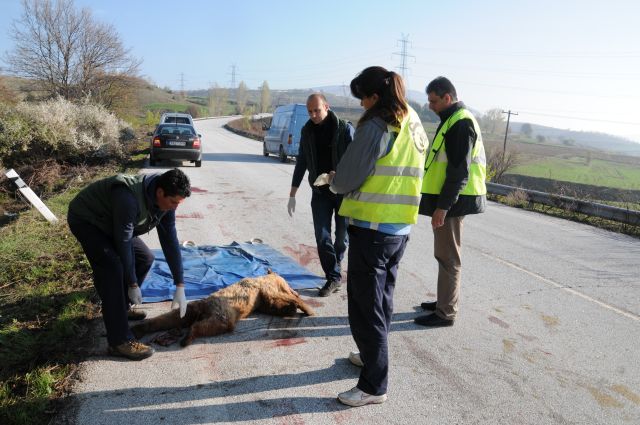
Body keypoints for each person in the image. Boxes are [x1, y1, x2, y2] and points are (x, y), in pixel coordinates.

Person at [326, 66, 428, 407]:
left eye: (362, 98)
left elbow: (348, 177)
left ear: (373, 96)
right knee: (381, 302)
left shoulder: (377, 124)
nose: (361, 106)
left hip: (372, 229)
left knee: (365, 308)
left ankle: (373, 385)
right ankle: (371, 357)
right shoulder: (411, 119)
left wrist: (334, 180)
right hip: (399, 228)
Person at [67, 168, 191, 360]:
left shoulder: (166, 205)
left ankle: (121, 307)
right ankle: (119, 342)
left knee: (145, 258)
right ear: (160, 192)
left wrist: (180, 284)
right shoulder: (127, 199)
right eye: (173, 202)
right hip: (88, 220)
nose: (175, 207)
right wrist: (132, 283)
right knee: (112, 268)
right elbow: (123, 242)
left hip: (113, 222)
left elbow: (170, 242)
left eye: (178, 203)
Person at [414, 76, 487, 327]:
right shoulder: (453, 120)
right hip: (450, 201)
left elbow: (458, 172)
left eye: (434, 101)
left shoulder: (460, 123)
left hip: (453, 203)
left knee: (448, 258)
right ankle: (443, 301)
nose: (430, 106)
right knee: (444, 255)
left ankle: (446, 312)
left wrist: (442, 208)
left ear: (448, 97)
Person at [288, 93, 354, 297]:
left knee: (342, 238)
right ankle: (333, 277)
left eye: (317, 110)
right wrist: (293, 193)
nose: (313, 115)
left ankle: (336, 265)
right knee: (322, 236)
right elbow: (302, 162)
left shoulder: (344, 128)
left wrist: (342, 174)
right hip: (320, 193)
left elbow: (356, 159)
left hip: (342, 192)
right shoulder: (307, 131)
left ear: (327, 106)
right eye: (310, 111)